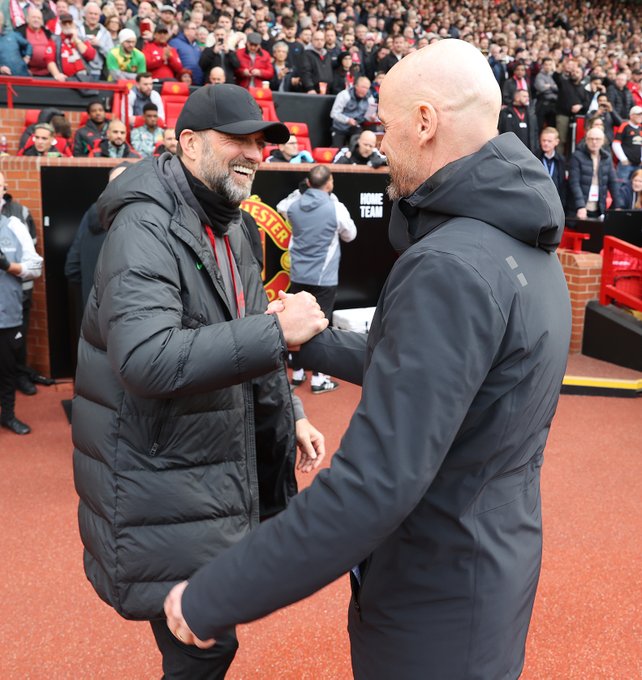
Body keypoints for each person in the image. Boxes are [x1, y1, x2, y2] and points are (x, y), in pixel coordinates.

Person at [163, 40, 572, 680]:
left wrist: (215, 595)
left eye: (385, 123)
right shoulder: (524, 243)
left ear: (426, 122)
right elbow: (448, 379)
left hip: (432, 597)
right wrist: (313, 338)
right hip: (487, 567)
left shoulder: (448, 266)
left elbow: (373, 486)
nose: (379, 141)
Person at [72, 83, 329, 679]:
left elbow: (244, 331)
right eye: (237, 139)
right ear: (188, 143)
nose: (254, 153)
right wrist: (278, 335)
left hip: (206, 474)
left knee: (205, 642)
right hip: (164, 483)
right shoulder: (144, 228)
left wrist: (291, 414)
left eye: (261, 143)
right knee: (201, 648)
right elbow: (148, 359)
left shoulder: (233, 224)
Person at [285, 164, 356, 394]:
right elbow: (350, 235)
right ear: (330, 183)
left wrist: (299, 192)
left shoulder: (293, 205)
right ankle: (318, 378)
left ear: (307, 183)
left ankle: (296, 372)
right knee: (320, 325)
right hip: (324, 278)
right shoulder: (336, 208)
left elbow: (281, 207)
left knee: (295, 323)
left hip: (298, 274)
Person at [0, 208, 43, 434]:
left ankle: (7, 416)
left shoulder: (14, 225)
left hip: (7, 315)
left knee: (7, 371)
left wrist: (9, 267)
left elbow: (35, 267)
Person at [65, 163, 129, 308]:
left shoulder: (92, 212)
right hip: (122, 314)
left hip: (92, 311)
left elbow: (72, 267)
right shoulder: (137, 216)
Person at [0, 170, 40, 396]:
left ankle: (21, 376)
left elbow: (31, 255)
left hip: (17, 295)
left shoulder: (18, 215)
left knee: (17, 345)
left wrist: (8, 265)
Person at [569, 127, 622, 219]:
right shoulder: (577, 156)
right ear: (586, 140)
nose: (594, 142)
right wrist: (581, 206)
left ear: (603, 141)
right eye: (591, 139)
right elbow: (574, 183)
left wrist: (618, 205)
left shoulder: (607, 157)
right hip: (581, 207)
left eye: (597, 139)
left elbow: (613, 182)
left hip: (599, 207)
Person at [44, 12, 96, 82]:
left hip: (84, 78)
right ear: (60, 25)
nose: (68, 25)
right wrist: (57, 74)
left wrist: (76, 40)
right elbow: (49, 60)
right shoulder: (55, 40)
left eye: (70, 23)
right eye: (64, 23)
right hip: (66, 79)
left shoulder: (81, 39)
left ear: (74, 24)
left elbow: (90, 56)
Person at [330, 76, 378, 148]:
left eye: (367, 88)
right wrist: (347, 120)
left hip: (356, 127)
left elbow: (368, 117)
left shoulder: (370, 98)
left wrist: (372, 117)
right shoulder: (344, 95)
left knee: (357, 147)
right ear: (356, 86)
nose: (365, 90)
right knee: (337, 149)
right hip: (340, 127)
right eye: (363, 87)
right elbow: (334, 113)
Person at [77, 1, 114, 80]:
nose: (93, 16)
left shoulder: (105, 33)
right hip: (78, 69)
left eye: (96, 14)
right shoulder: (76, 29)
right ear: (85, 14)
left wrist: (100, 44)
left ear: (99, 16)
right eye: (90, 13)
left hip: (96, 72)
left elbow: (111, 55)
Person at [535, 127, 567, 210]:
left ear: (556, 142)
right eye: (543, 140)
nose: (546, 143)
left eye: (549, 141)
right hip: (538, 200)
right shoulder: (534, 158)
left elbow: (562, 184)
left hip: (555, 201)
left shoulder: (561, 160)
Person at [612, 105, 642, 182]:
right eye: (638, 114)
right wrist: (623, 159)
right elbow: (616, 144)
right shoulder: (624, 126)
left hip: (638, 165)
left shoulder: (640, 128)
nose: (640, 116)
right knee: (621, 186)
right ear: (631, 116)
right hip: (626, 165)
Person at [0, 10, 32, 77]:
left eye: (0, 19)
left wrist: (27, 56)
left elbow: (28, 45)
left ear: (2, 21)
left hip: (23, 75)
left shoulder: (13, 35)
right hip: (4, 79)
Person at [170, 20, 203, 85]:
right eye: (193, 29)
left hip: (197, 81)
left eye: (196, 29)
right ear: (185, 30)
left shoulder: (196, 45)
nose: (196, 31)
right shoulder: (175, 42)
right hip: (182, 81)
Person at [300, 29, 333, 94]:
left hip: (327, 91)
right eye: (317, 39)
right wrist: (310, 88)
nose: (319, 42)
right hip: (313, 91)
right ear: (312, 40)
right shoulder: (306, 54)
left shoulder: (328, 55)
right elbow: (305, 72)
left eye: (322, 40)